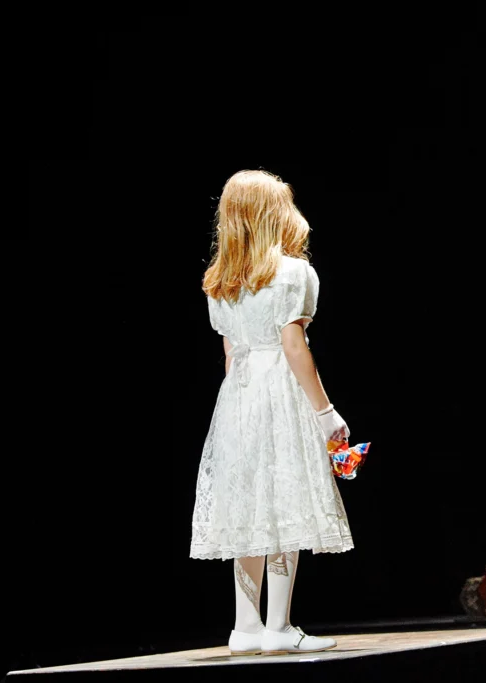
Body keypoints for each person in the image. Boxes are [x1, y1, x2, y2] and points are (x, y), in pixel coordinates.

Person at [190, 170, 354, 653]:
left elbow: (230, 354)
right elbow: (293, 345)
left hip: (237, 396)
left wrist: (233, 414)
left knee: (248, 507)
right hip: (279, 389)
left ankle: (245, 627)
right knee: (284, 500)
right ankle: (278, 627)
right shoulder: (293, 273)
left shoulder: (219, 283)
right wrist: (325, 413)